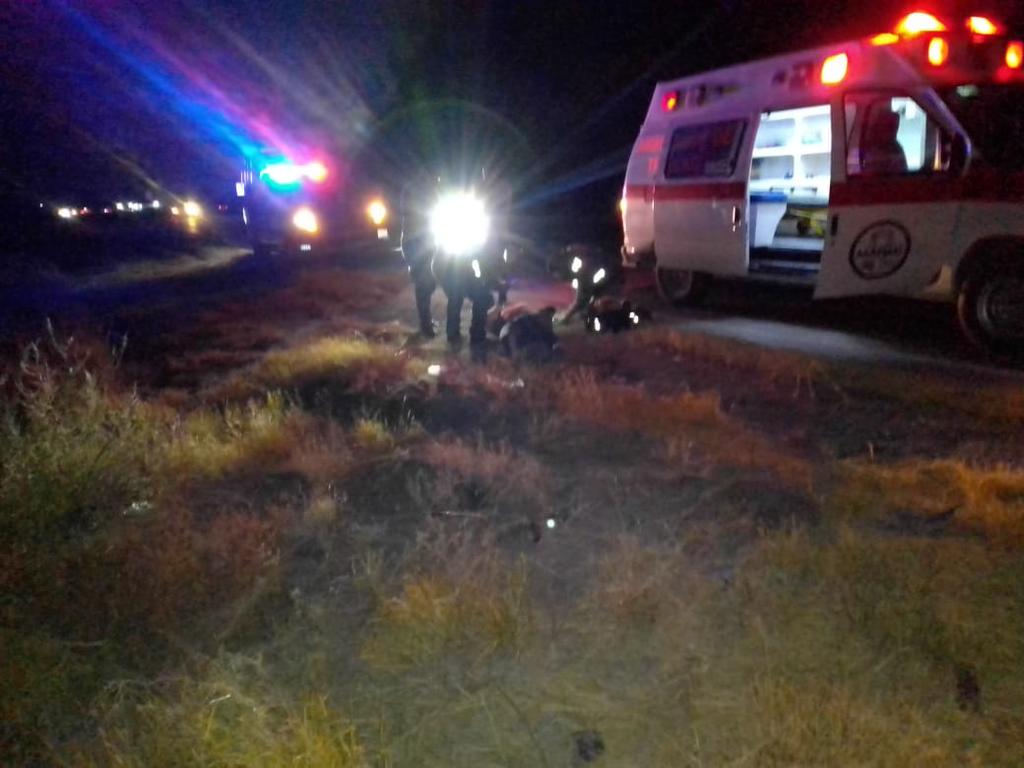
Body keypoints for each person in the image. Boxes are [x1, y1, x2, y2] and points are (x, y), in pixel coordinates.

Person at [399, 181, 437, 337]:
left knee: (426, 285)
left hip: (417, 243)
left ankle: (426, 322)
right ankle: (426, 326)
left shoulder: (412, 190)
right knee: (424, 286)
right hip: (418, 243)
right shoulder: (420, 192)